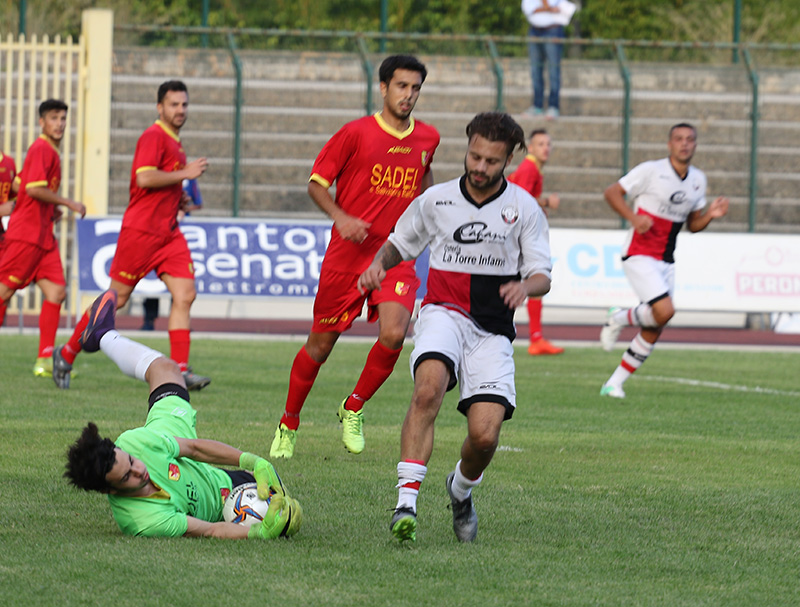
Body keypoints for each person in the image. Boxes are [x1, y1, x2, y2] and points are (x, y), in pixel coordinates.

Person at [358, 112, 553, 543]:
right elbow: (400, 243)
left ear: (508, 160)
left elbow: (543, 274)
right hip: (442, 312)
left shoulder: (523, 207)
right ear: (467, 148)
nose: (480, 167)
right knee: (427, 388)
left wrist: (526, 286)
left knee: (484, 437)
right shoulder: (437, 200)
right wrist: (377, 265)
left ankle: (460, 490)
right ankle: (405, 502)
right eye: (474, 156)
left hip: (492, 330)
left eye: (491, 161)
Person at [269, 55, 440, 460]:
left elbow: (425, 184)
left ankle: (354, 406)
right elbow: (316, 184)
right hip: (347, 258)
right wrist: (340, 217)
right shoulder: (354, 133)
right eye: (401, 86)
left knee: (395, 334)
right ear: (383, 87)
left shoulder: (428, 138)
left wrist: (433, 218)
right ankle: (289, 422)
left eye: (415, 88)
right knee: (320, 347)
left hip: (395, 254)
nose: (408, 95)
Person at [64, 289, 302, 539]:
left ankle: (102, 335)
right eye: (127, 477)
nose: (139, 471)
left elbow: (194, 448)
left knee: (166, 368)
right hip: (219, 495)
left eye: (131, 462)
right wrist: (257, 534)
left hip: (163, 443)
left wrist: (252, 461)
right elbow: (210, 529)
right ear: (108, 492)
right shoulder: (144, 520)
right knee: (282, 514)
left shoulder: (136, 444)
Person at [53, 80, 211, 391]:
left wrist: (176, 196)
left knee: (185, 295)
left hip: (169, 234)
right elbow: (143, 176)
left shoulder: (175, 142)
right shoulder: (153, 136)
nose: (180, 110)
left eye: (184, 104)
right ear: (159, 107)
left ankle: (179, 369)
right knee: (117, 300)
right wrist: (184, 174)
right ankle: (67, 352)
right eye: (174, 104)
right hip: (141, 233)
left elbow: (159, 182)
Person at [599, 123, 730, 398]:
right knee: (665, 311)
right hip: (639, 253)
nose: (685, 144)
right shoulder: (651, 171)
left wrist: (710, 215)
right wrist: (634, 218)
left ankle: (614, 383)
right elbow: (612, 192)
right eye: (679, 139)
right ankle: (620, 316)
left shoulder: (698, 180)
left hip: (666, 259)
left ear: (695, 145)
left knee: (655, 325)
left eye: (690, 140)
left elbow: (693, 224)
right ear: (669, 144)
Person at [0, 100, 86, 372]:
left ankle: (45, 360)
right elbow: (35, 189)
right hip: (26, 235)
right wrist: (67, 202)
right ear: (42, 122)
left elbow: (22, 186)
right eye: (53, 118)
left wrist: (51, 209)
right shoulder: (41, 149)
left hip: (43, 237)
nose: (59, 124)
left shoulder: (49, 152)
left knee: (56, 291)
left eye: (62, 118)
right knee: (4, 290)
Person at [508, 128, 563, 355]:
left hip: (519, 230)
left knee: (533, 280)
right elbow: (522, 200)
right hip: (520, 233)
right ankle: (535, 338)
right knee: (536, 278)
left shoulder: (534, 169)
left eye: (548, 144)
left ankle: (536, 338)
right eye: (541, 144)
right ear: (530, 147)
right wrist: (547, 202)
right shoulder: (530, 168)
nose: (545, 148)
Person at [141, 178, 202, 331]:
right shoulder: (158, 176)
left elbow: (198, 203)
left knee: (181, 286)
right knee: (151, 280)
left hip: (179, 233)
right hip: (157, 232)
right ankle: (149, 319)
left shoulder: (189, 179)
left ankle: (180, 323)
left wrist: (183, 209)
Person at [521, 0, 571, 119]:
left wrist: (543, 7)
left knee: (553, 71)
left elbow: (562, 9)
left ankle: (553, 106)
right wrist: (548, 8)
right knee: (535, 70)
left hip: (553, 30)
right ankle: (537, 105)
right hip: (535, 30)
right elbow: (530, 10)